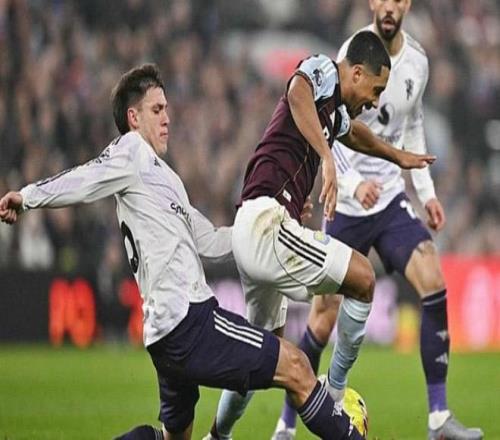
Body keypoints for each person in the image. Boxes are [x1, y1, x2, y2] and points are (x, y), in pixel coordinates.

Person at [0, 63, 371, 440]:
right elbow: (84, 178)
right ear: (133, 118)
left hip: (165, 332)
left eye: (167, 109)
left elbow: (210, 240)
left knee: (174, 437)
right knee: (297, 367)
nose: (167, 118)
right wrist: (27, 197)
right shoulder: (130, 152)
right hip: (187, 321)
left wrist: (270, 222)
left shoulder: (163, 178)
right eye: (156, 110)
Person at [204, 31, 435, 440]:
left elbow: (355, 134)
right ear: (356, 73)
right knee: (363, 278)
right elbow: (297, 92)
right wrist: (327, 159)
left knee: (261, 358)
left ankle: (217, 436)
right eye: (375, 90)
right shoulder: (322, 70)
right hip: (265, 225)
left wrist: (397, 156)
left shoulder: (333, 114)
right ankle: (337, 390)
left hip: (257, 225)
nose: (375, 102)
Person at [273, 2, 484, 440]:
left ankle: (439, 419)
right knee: (322, 319)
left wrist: (426, 193)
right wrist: (351, 185)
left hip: (389, 201)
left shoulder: (418, 62)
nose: (389, 6)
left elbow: (412, 125)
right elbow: (333, 127)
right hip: (348, 207)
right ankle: (286, 426)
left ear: (407, 4)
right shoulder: (351, 53)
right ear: (372, 2)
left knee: (433, 281)